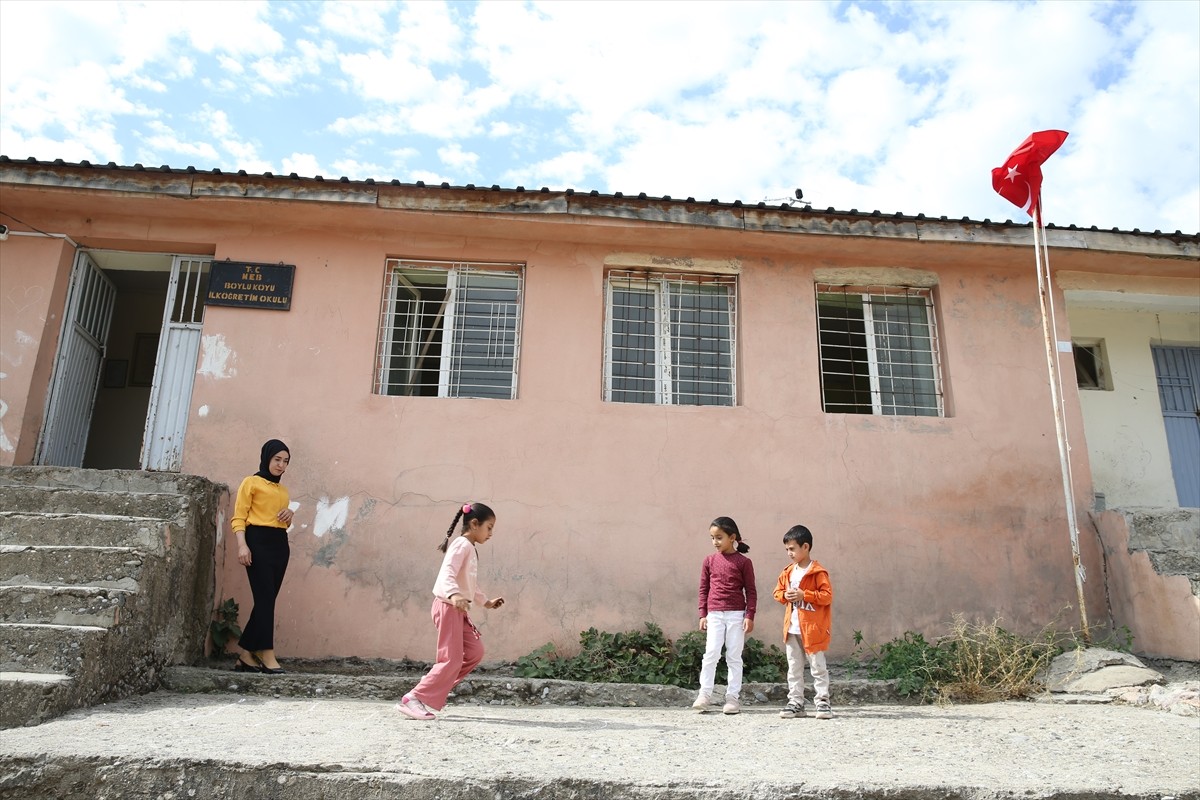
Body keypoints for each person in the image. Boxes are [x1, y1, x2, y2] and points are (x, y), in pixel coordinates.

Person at [396, 502, 506, 721]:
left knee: (474, 653)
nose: (491, 533)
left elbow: (470, 583)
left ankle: (433, 685)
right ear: (474, 524)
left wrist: (486, 602)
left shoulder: (469, 548)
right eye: (489, 527)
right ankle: (413, 697)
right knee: (451, 660)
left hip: (458, 609)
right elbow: (448, 573)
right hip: (448, 607)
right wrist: (454, 595)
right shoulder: (461, 545)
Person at [230, 438, 295, 674]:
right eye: (277, 459)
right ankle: (267, 653)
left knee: (266, 601)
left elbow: (280, 519)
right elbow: (239, 517)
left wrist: (290, 514)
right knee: (265, 599)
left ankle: (246, 655)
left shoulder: (282, 490)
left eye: (285, 461)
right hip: (257, 542)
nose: (281, 465)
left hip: (279, 544)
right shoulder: (251, 482)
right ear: (267, 457)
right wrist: (242, 546)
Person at [692, 516, 757, 715]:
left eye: (719, 537)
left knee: (734, 656)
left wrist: (749, 615)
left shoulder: (744, 562)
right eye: (712, 538)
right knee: (711, 654)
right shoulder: (709, 561)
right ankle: (704, 694)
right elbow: (704, 589)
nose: (715, 542)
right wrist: (703, 613)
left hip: (737, 615)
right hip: (714, 615)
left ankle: (732, 698)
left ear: (732, 537)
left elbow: (751, 591)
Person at [772, 524, 834, 719]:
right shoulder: (787, 572)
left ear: (805, 547)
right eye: (787, 550)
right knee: (794, 666)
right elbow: (777, 593)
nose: (789, 553)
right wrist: (785, 595)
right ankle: (796, 702)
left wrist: (803, 594)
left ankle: (822, 702)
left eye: (792, 548)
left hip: (812, 629)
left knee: (817, 666)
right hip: (792, 628)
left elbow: (826, 596)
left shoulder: (818, 572)